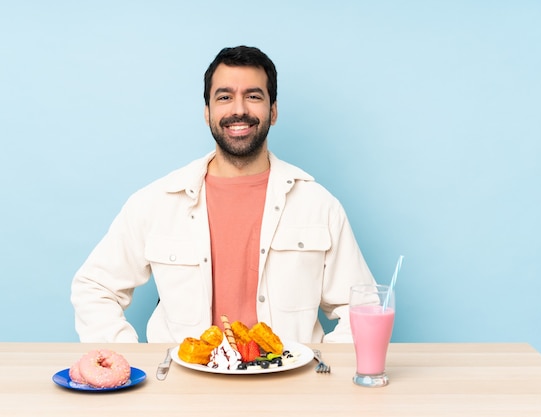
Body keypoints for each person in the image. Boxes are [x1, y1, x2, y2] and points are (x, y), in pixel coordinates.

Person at [71, 45, 375, 345]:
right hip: (183, 386)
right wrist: (129, 358)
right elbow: (95, 287)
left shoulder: (318, 205)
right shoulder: (156, 201)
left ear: (274, 111)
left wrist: (325, 369)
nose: (239, 109)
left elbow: (364, 306)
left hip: (288, 386)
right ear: (207, 112)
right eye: (225, 97)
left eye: (253, 96)